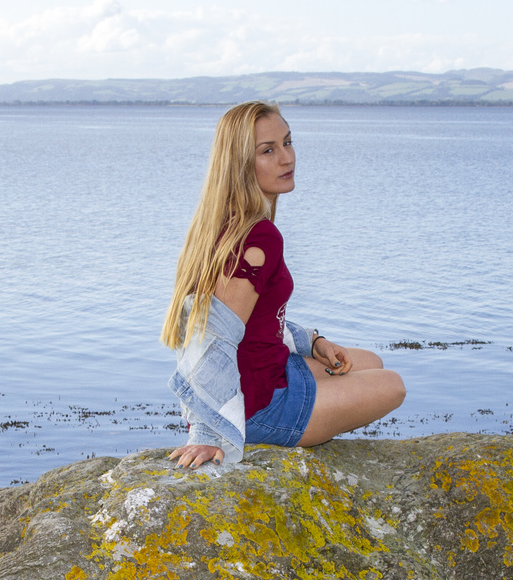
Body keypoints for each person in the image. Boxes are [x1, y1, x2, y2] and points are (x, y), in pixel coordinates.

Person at [163, 102, 405, 469]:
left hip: (269, 368)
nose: (286, 158)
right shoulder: (260, 238)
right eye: (268, 150)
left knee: (370, 362)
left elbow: (254, 319)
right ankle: (277, 423)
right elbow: (212, 339)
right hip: (258, 404)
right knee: (392, 385)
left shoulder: (227, 224)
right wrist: (208, 433)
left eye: (288, 143)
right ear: (241, 164)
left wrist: (312, 341)